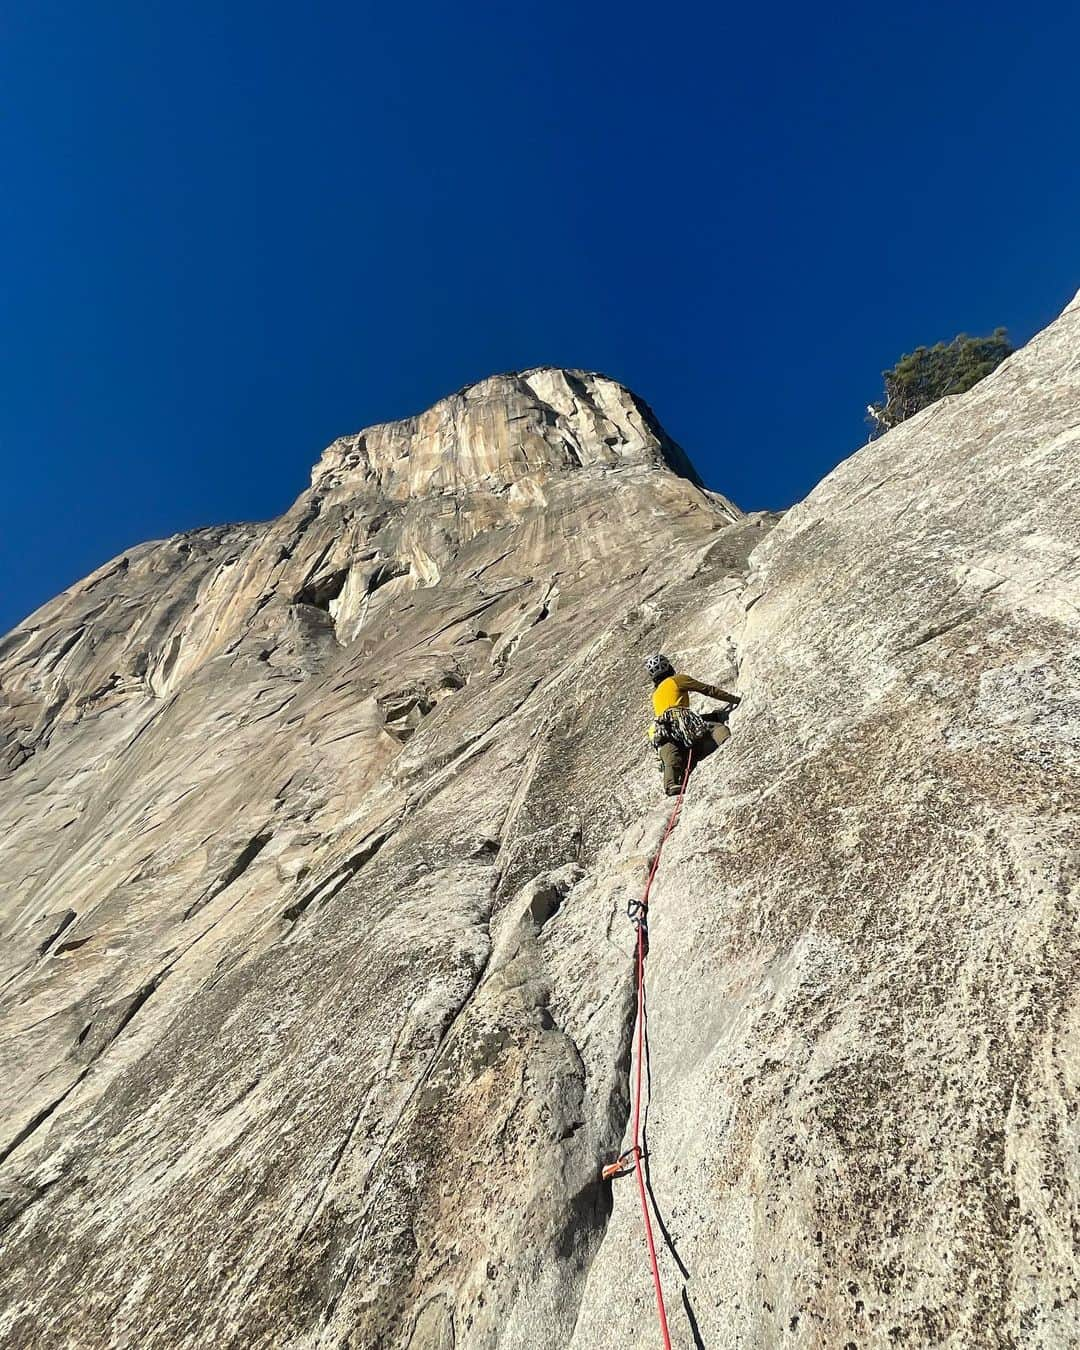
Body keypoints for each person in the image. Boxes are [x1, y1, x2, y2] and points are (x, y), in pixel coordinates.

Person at [645, 654, 740, 796]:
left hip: (663, 728)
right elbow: (708, 690)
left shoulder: (656, 694)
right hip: (681, 719)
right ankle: (728, 742)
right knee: (714, 727)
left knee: (670, 748)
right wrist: (735, 699)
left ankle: (670, 784)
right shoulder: (678, 679)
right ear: (669, 667)